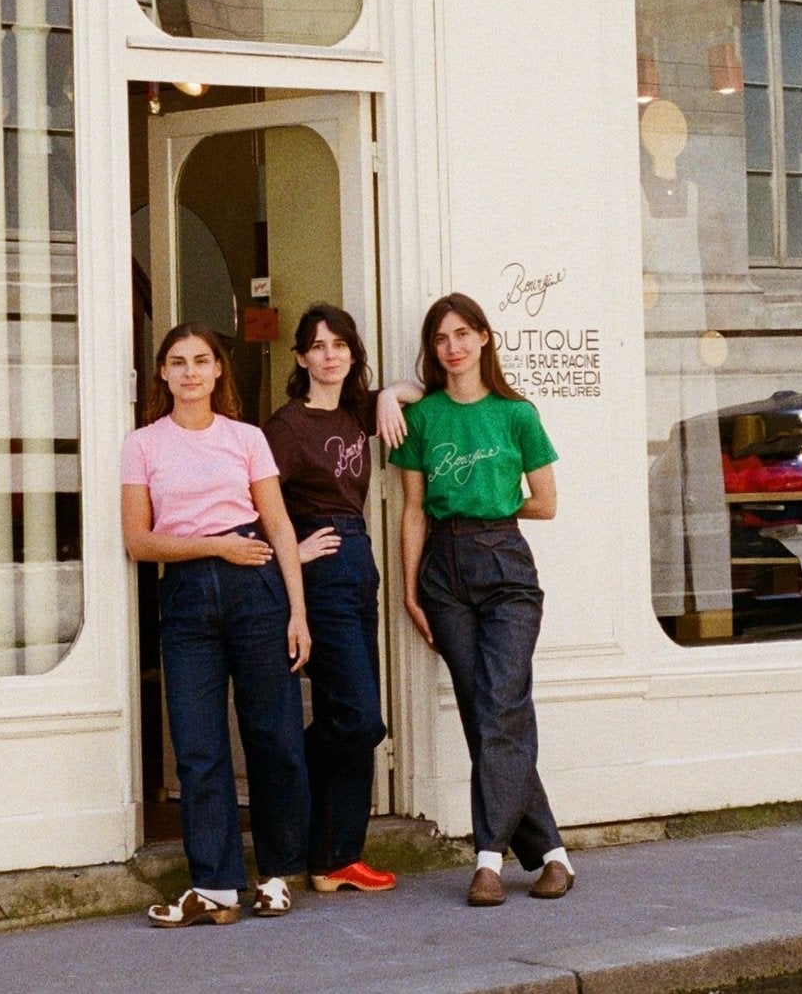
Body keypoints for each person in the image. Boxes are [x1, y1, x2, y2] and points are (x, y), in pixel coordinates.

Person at [122, 323, 313, 928]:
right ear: (163, 372)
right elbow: (138, 541)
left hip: (257, 591)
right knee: (198, 746)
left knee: (274, 738)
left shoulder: (247, 438)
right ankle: (216, 886)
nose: (190, 372)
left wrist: (298, 611)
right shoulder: (143, 444)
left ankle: (277, 874)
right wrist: (215, 546)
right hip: (186, 600)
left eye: (201, 360)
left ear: (218, 370)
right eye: (178, 362)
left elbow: (278, 525)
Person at [388, 293, 574, 907]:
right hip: (442, 572)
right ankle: (552, 854)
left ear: (484, 338)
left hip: (505, 567)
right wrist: (410, 589)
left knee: (500, 703)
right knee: (484, 710)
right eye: (442, 338)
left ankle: (488, 859)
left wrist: (491, 507)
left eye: (463, 334)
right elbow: (413, 510)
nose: (453, 347)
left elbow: (545, 503)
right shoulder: (423, 417)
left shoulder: (516, 414)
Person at [263, 305, 400, 895]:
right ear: (300, 358)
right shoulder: (286, 426)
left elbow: (423, 389)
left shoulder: (355, 410)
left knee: (351, 714)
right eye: (317, 346)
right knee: (361, 718)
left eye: (339, 345)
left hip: (360, 563)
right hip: (320, 573)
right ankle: (289, 782)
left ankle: (336, 857)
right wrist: (292, 549)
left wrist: (389, 395)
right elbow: (253, 500)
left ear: (352, 353)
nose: (329, 355)